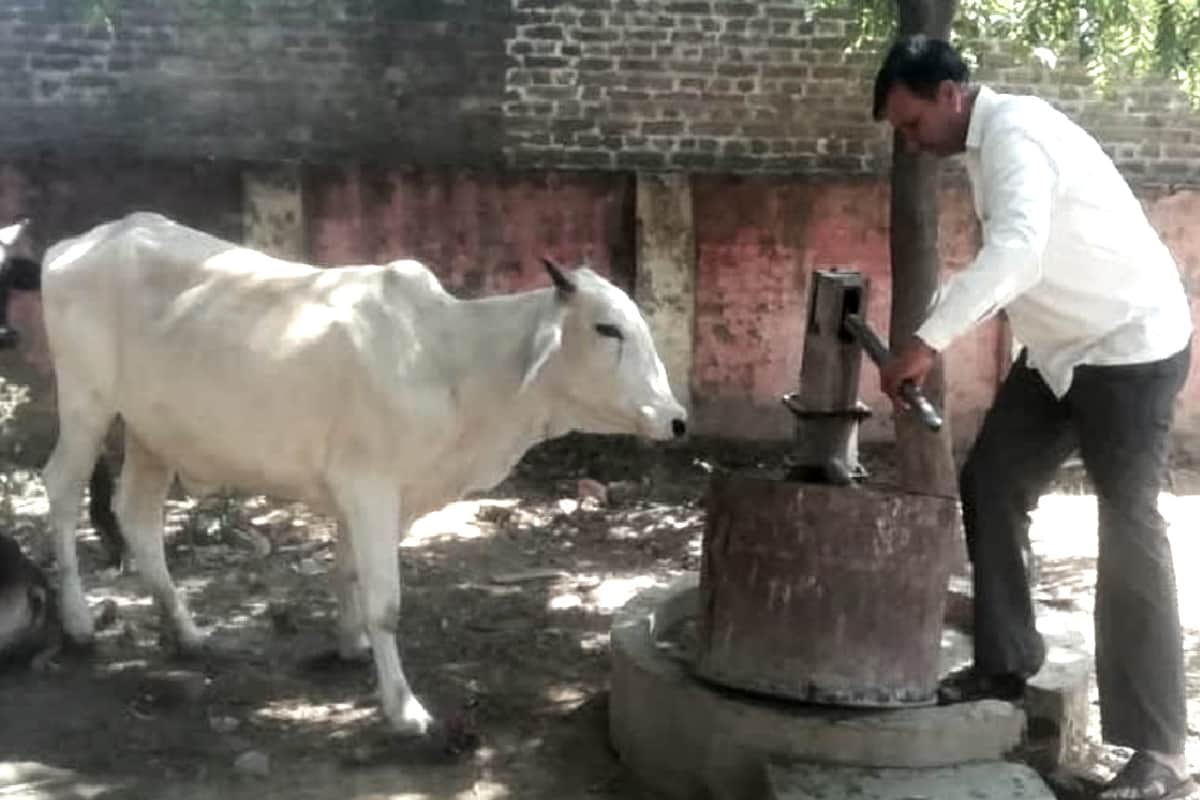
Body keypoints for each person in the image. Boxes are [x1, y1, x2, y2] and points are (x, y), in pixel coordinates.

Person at [874, 35, 1194, 800]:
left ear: (950, 95)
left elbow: (1016, 249)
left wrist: (924, 340)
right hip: (1057, 352)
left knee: (1128, 527)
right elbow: (1021, 259)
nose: (911, 144)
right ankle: (1003, 664)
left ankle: (1159, 753)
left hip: (1130, 348)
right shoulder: (985, 146)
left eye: (913, 124)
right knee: (991, 483)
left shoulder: (1018, 133)